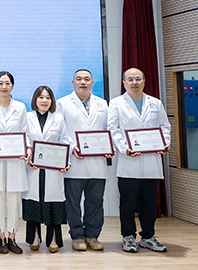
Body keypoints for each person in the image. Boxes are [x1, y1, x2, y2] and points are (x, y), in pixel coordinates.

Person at [107, 68, 171, 253]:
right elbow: (113, 129)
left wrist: (164, 144)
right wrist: (125, 149)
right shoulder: (116, 103)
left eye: (137, 79)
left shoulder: (155, 103)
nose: (134, 82)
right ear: (124, 82)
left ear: (144, 81)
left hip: (152, 162)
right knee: (127, 204)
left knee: (150, 203)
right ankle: (128, 237)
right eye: (130, 79)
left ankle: (148, 237)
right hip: (129, 162)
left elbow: (164, 126)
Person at [56, 69, 112, 251]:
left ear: (92, 83)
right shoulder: (62, 103)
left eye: (87, 79)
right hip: (74, 162)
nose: (83, 82)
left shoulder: (102, 103)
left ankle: (92, 235)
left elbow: (109, 129)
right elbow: (60, 131)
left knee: (95, 202)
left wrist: (108, 146)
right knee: (73, 203)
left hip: (97, 162)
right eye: (79, 79)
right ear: (73, 82)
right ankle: (77, 236)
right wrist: (72, 146)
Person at [0, 71, 29, 254]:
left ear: (12, 86)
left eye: (7, 83)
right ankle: (1, 238)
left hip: (16, 162)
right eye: (1, 83)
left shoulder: (20, 107)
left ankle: (12, 238)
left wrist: (27, 149)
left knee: (14, 201)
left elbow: (25, 133)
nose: (4, 86)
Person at [23, 86, 73, 253]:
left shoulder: (58, 118)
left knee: (53, 204)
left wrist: (66, 162)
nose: (44, 101)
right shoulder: (27, 117)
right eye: (41, 97)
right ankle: (34, 237)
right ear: (35, 99)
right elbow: (24, 140)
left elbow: (65, 141)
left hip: (53, 169)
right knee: (33, 203)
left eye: (48, 97)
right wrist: (28, 158)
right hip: (34, 168)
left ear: (52, 101)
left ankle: (53, 239)